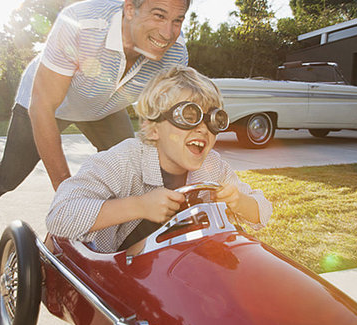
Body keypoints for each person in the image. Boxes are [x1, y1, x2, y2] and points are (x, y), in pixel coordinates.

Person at [0, 0, 192, 233]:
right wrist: (70, 200)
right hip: (46, 103)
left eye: (178, 20)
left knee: (136, 173)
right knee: (9, 176)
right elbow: (42, 106)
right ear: (129, 8)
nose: (168, 33)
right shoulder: (81, 24)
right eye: (159, 15)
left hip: (104, 107)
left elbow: (164, 123)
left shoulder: (175, 54)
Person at [46, 66, 273, 253]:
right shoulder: (124, 160)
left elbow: (263, 211)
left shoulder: (212, 166)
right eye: (189, 116)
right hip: (118, 270)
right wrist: (140, 206)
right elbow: (60, 215)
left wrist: (238, 201)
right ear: (153, 129)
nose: (204, 129)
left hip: (182, 264)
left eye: (214, 120)